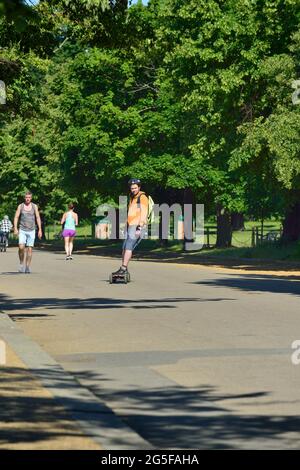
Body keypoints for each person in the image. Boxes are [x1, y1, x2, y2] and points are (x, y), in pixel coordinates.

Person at [112, 178, 148, 276]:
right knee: (124, 247)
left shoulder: (142, 197)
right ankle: (124, 268)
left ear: (139, 187)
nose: (133, 190)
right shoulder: (132, 197)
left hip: (137, 226)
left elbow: (144, 213)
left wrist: (139, 227)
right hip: (131, 225)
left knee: (129, 246)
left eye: (135, 188)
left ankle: (123, 268)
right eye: (132, 188)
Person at [14, 191, 42, 273]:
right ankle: (21, 264)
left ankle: (27, 267)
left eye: (29, 197)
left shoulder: (34, 206)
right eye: (26, 197)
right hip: (22, 229)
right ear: (24, 198)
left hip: (32, 230)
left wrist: (40, 229)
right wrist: (15, 228)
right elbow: (16, 217)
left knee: (30, 249)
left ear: (31, 198)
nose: (27, 199)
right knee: (21, 247)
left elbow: (37, 217)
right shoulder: (21, 206)